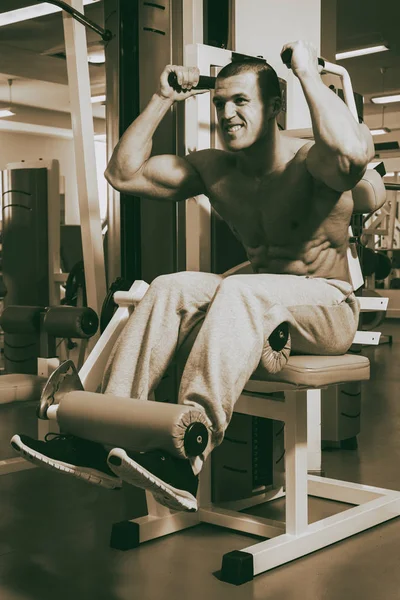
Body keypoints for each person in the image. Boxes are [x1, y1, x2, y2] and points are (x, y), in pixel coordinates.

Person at [11, 41, 374, 512]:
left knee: (242, 291)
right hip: (261, 298)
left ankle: (185, 451)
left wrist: (305, 71)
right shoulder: (216, 170)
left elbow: (349, 154)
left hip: (328, 307)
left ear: (275, 108)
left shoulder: (312, 162)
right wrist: (162, 99)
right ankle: (98, 436)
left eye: (240, 101)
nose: (226, 113)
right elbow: (123, 174)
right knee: (169, 286)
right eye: (219, 102)